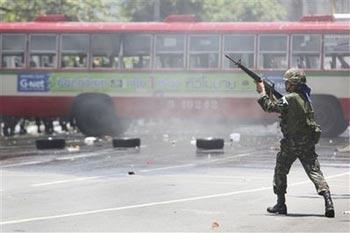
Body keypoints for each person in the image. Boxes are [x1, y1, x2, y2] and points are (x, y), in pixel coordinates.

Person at [255, 68, 335, 218]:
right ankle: (329, 202)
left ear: (293, 84)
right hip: (307, 143)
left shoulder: (290, 98)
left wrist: (261, 91)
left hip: (291, 144)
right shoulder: (305, 98)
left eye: (288, 83)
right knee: (315, 172)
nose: (286, 85)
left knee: (280, 170)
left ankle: (280, 204)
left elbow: (269, 107)